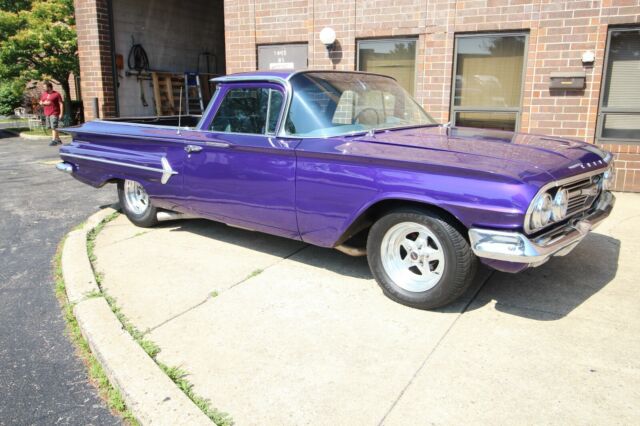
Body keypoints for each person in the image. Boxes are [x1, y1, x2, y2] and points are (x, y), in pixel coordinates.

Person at [39, 82, 64, 146]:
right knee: (51, 127)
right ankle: (58, 139)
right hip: (47, 113)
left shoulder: (56, 94)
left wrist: (61, 113)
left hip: (54, 112)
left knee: (54, 126)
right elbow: (41, 101)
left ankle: (54, 141)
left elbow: (61, 104)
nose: (43, 88)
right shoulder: (44, 94)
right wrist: (42, 103)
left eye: (45, 87)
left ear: (49, 87)